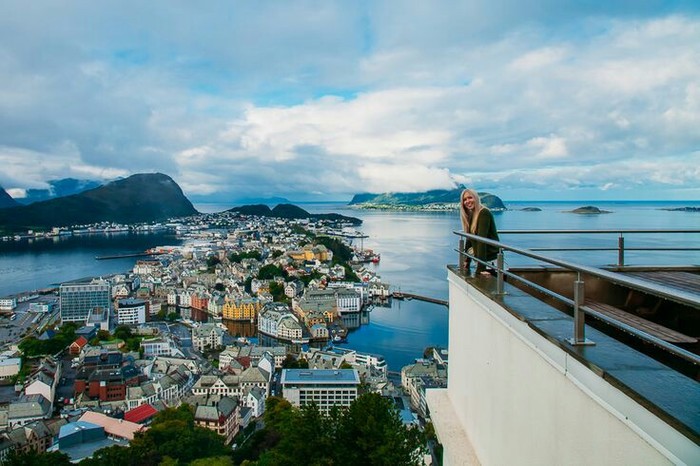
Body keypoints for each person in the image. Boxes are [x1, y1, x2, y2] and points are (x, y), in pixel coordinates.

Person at [459, 188, 500, 275]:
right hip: (483, 260)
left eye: (470, 197)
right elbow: (469, 239)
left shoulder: (484, 213)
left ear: (476, 198)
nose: (467, 201)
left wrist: (481, 269)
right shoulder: (472, 214)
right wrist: (467, 260)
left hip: (491, 261)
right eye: (464, 199)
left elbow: (482, 240)